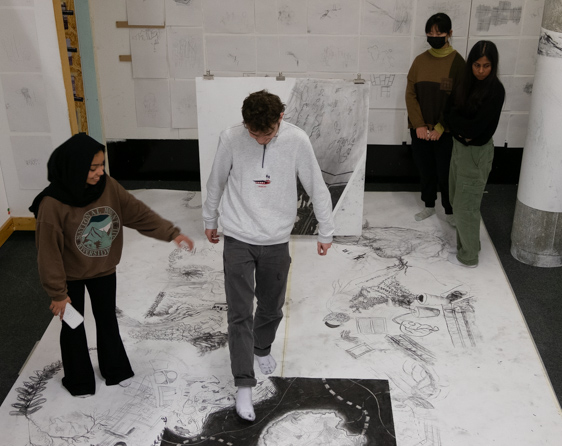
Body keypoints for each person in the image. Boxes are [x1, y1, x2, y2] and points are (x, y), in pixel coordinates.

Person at [203, 90, 334, 421]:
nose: (260, 138)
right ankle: (244, 385)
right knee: (239, 312)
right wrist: (210, 219)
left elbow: (317, 186)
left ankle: (261, 347)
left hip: (276, 239)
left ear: (280, 119)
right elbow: (216, 182)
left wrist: (326, 229)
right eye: (254, 132)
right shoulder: (231, 138)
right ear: (245, 123)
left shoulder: (296, 140)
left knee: (272, 307)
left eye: (267, 132)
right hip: (237, 236)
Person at [29, 133, 194, 397]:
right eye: (92, 168)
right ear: (74, 167)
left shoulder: (108, 186)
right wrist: (58, 294)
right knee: (73, 325)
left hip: (103, 269)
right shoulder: (52, 204)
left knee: (107, 320)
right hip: (70, 274)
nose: (99, 172)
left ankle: (115, 369)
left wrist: (171, 233)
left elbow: (137, 212)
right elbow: (48, 253)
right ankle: (79, 380)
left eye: (102, 165)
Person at [445, 41, 505, 267]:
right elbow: (447, 114)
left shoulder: (496, 90)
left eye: (486, 66)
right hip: (459, 148)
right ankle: (472, 243)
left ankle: (468, 256)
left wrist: (461, 126)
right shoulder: (464, 84)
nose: (481, 70)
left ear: (493, 65)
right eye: (477, 65)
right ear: (470, 64)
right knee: (455, 199)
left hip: (476, 153)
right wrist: (462, 128)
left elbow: (473, 130)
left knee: (465, 206)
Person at [405, 12, 466, 226]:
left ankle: (450, 211)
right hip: (420, 130)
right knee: (425, 169)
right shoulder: (419, 61)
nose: (434, 36)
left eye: (438, 32)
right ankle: (429, 206)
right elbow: (410, 94)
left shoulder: (458, 63)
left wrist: (441, 126)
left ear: (449, 33)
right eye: (430, 32)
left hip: (445, 131)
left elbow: (459, 100)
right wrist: (419, 125)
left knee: (446, 172)